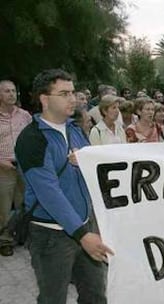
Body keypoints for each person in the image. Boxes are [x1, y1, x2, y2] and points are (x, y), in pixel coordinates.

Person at [15, 69, 113, 303]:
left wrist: (87, 161)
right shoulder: (32, 139)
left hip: (85, 227)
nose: (73, 98)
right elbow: (49, 193)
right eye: (64, 93)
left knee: (96, 296)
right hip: (51, 236)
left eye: (73, 92)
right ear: (44, 99)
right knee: (53, 298)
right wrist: (82, 235)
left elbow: (96, 171)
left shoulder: (75, 129)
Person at [0, 80, 32, 256]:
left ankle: (21, 235)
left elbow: (31, 137)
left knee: (24, 203)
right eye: (7, 91)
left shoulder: (24, 115)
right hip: (3, 168)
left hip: (24, 166)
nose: (11, 94)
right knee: (4, 207)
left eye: (13, 91)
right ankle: (5, 240)